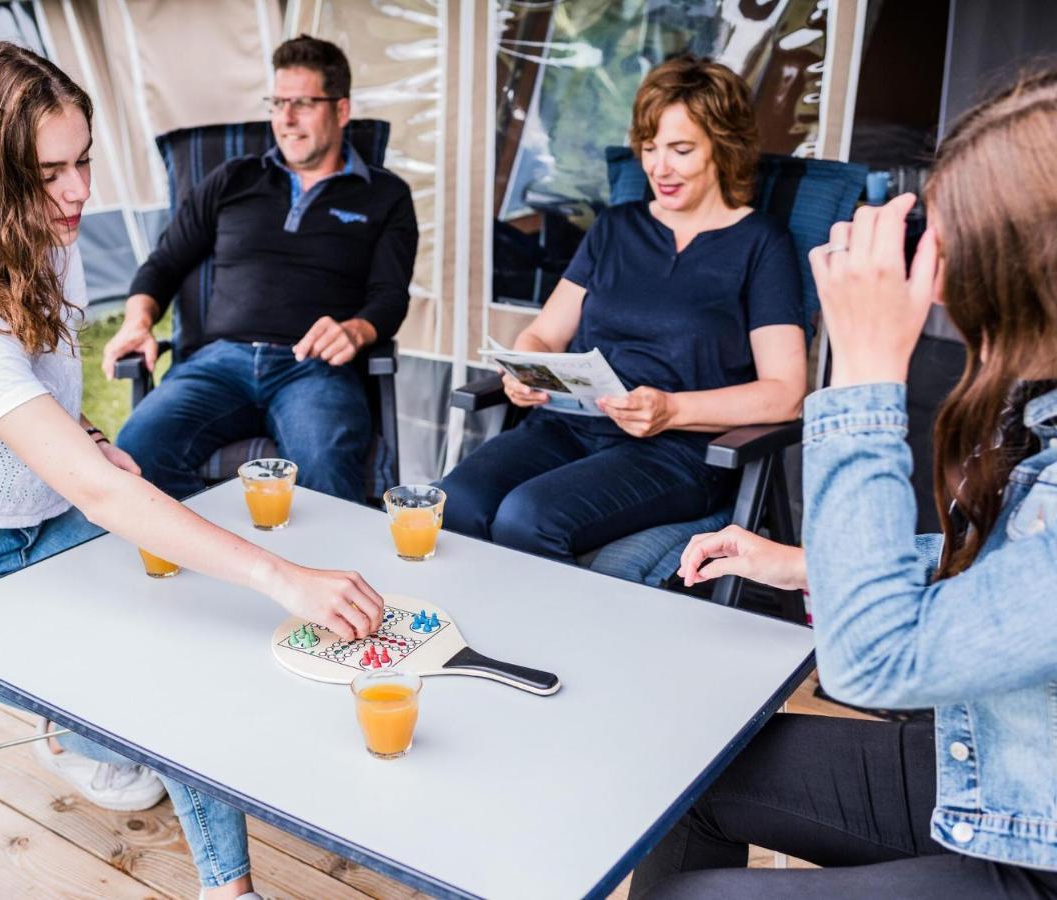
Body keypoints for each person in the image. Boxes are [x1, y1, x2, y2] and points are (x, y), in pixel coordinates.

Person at [0, 42, 383, 900]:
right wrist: (287, 578)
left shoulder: (43, 240)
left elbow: (46, 405)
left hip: (40, 514)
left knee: (186, 632)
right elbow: (99, 495)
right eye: (47, 173)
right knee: (155, 669)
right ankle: (112, 759)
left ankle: (191, 846)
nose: (79, 193)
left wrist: (88, 435)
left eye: (85, 161)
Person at [628, 70, 1057, 898]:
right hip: (1009, 761)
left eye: (949, 242)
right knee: (689, 775)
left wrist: (861, 370)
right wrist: (802, 563)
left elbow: (872, 663)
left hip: (1039, 846)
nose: (934, 279)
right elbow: (1016, 582)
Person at [438, 56, 806, 562]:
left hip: (674, 451)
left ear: (723, 147)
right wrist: (525, 374)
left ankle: (533, 643)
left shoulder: (761, 244)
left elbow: (785, 394)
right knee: (455, 504)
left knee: (528, 519)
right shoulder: (617, 227)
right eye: (650, 148)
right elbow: (543, 335)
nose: (658, 168)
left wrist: (673, 409)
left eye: (680, 149)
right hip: (568, 427)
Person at [102, 34, 418, 504]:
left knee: (327, 475)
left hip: (312, 369)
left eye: (303, 104)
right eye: (277, 103)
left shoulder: (384, 196)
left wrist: (357, 330)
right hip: (217, 363)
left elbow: (390, 296)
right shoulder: (233, 179)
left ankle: (319, 572)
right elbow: (164, 263)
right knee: (136, 453)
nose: (285, 120)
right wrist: (137, 321)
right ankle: (225, 553)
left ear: (341, 110)